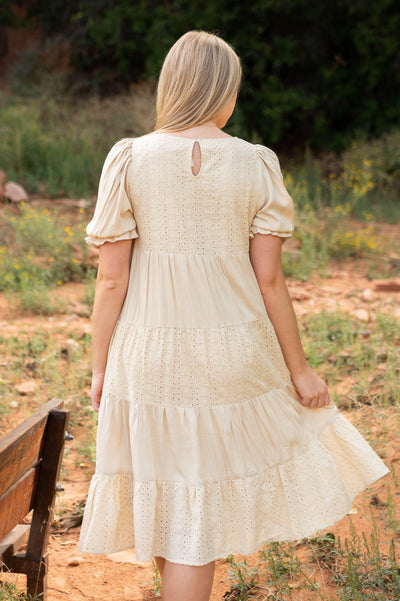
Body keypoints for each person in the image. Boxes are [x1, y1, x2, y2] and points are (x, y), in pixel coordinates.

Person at [78, 30, 389, 601]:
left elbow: (111, 278)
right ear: (226, 92)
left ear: (171, 87)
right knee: (196, 511)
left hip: (147, 351)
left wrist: (100, 366)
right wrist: (300, 371)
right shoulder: (255, 163)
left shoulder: (128, 158)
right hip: (233, 353)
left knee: (174, 499)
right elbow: (270, 280)